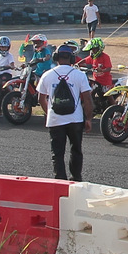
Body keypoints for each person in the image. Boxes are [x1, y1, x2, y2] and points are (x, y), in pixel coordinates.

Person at [38, 43, 94, 181]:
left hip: (55, 120)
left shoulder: (47, 75)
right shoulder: (79, 75)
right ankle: (76, 178)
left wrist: (49, 113)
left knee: (57, 153)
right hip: (75, 119)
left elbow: (41, 99)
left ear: (56, 57)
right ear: (72, 58)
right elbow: (88, 100)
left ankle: (60, 180)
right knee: (76, 151)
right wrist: (88, 119)